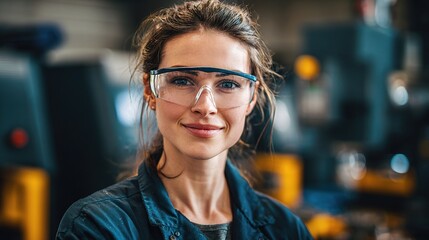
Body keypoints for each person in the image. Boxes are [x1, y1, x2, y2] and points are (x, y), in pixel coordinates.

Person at [56, 0, 313, 239]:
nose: (205, 106)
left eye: (228, 84)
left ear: (251, 99)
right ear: (150, 91)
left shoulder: (286, 228)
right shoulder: (99, 226)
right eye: (182, 81)